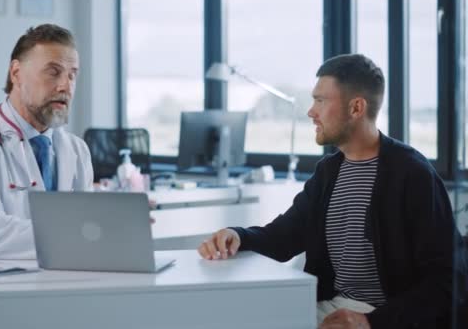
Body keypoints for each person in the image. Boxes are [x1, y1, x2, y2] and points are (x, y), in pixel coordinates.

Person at [197, 54, 467, 328]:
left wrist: (371, 322)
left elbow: (448, 281)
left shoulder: (412, 173)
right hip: (332, 307)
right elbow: (284, 237)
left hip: (387, 317)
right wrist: (238, 236)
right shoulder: (328, 172)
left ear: (356, 108)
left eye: (320, 101)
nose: (311, 111)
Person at [0, 24, 93, 260]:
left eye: (72, 74)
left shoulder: (77, 150)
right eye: (53, 72)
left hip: (58, 284)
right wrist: (76, 234)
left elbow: (90, 228)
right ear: (16, 73)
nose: (66, 86)